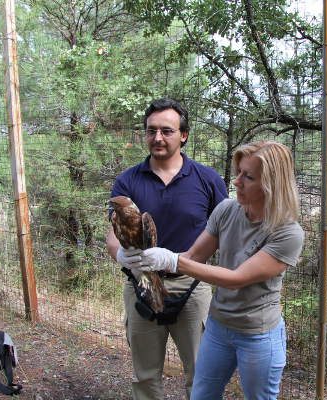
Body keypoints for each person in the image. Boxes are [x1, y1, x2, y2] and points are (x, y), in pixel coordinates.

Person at [121, 140, 305, 399]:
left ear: (272, 184)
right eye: (238, 172)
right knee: (201, 394)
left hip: (258, 333)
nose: (237, 181)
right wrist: (143, 258)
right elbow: (194, 255)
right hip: (219, 326)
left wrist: (172, 260)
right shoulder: (227, 210)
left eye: (248, 177)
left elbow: (235, 279)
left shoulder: (287, 233)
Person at [106, 98, 228, 400]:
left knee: (201, 372)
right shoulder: (128, 181)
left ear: (183, 135)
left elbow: (224, 232)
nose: (157, 137)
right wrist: (120, 255)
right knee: (145, 375)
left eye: (166, 131)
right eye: (151, 131)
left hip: (192, 285)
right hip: (141, 282)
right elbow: (112, 232)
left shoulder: (208, 180)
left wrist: (182, 261)